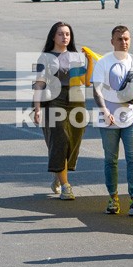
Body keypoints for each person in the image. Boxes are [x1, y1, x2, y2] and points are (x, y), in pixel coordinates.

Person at [93, 25, 133, 217]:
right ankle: (113, 198)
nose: (123, 42)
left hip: (131, 118)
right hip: (109, 119)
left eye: (126, 38)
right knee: (111, 160)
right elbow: (97, 90)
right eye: (119, 39)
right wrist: (104, 110)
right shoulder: (104, 62)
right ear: (112, 41)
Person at [32, 21, 89, 200]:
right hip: (54, 100)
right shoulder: (45, 57)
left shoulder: (76, 56)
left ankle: (58, 173)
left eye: (67, 34)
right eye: (61, 34)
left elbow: (85, 81)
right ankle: (66, 185)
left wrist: (90, 61)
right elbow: (39, 82)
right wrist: (37, 108)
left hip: (76, 100)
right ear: (53, 37)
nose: (65, 37)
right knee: (60, 140)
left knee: (74, 140)